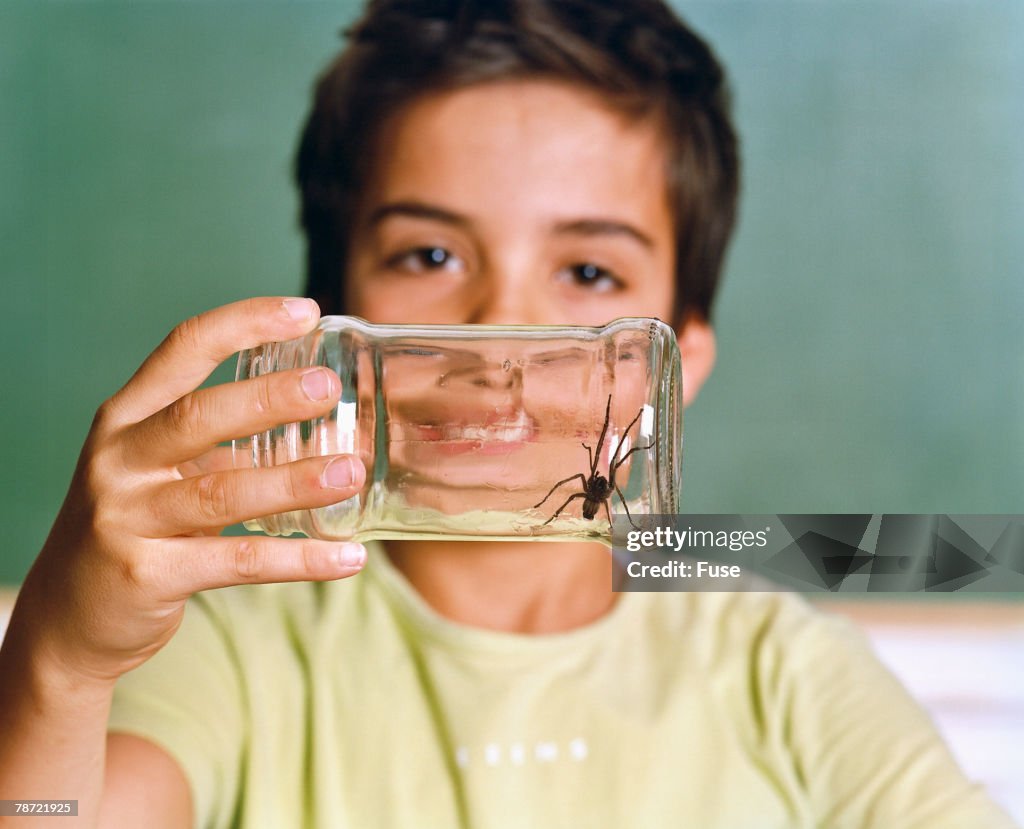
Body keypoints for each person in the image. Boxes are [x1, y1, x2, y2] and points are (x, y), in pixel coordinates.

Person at [0, 1, 1016, 827]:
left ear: (682, 359)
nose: (500, 336)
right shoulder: (233, 654)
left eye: (586, 270)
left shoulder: (776, 667)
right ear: (326, 315)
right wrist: (59, 659)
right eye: (428, 256)